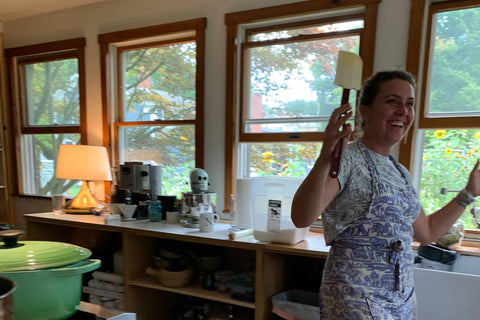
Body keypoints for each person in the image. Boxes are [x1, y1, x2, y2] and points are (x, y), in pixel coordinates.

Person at [291, 70, 480, 319]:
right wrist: (325, 158)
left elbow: (426, 231)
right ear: (365, 111)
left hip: (401, 299)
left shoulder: (400, 172)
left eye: (409, 104)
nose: (404, 111)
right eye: (393, 101)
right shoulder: (346, 159)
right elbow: (302, 217)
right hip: (354, 297)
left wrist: (468, 193)